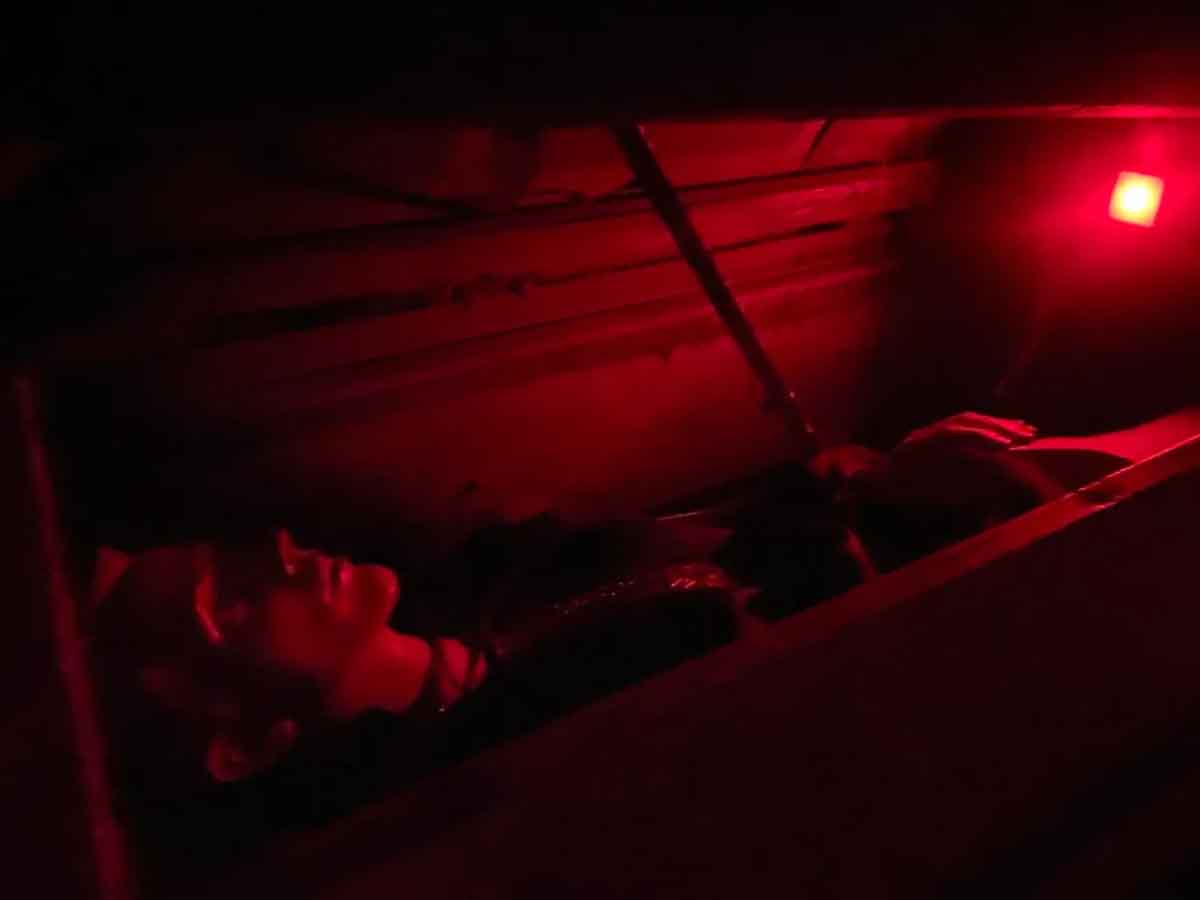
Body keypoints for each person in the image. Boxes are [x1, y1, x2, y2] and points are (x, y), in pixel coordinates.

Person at [90, 411, 1058, 786]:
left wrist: (869, 473)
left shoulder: (496, 578)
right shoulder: (535, 756)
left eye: (239, 550)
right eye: (231, 602)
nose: (279, 550)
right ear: (243, 743)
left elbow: (719, 539)